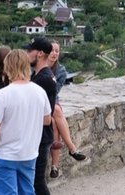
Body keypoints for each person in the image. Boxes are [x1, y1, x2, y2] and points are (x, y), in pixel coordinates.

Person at [0, 49, 51, 195]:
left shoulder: (2, 95)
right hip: (29, 154)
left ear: (8, 67)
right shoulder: (39, 91)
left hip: (5, 155)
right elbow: (47, 119)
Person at [47, 42, 86, 180]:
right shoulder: (36, 67)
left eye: (57, 51)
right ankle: (71, 148)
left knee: (54, 122)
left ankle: (55, 167)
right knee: (56, 112)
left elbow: (54, 91)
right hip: (41, 103)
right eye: (52, 50)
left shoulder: (61, 70)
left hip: (51, 101)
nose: (54, 53)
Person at [26, 37, 58, 195]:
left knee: (37, 182)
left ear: (39, 54)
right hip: (40, 136)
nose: (27, 54)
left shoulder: (43, 79)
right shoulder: (43, 76)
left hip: (39, 136)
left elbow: (43, 114)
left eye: (29, 51)